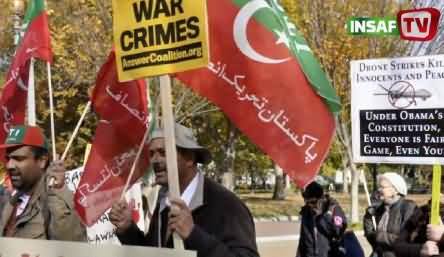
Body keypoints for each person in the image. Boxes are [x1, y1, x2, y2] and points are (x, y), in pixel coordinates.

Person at [109, 123, 259, 257]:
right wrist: (128, 229)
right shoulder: (164, 200)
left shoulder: (226, 205)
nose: (155, 160)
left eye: (163, 152)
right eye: (152, 153)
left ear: (189, 158)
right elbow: (154, 252)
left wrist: (193, 234)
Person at [0, 125, 86, 240]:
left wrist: (58, 192)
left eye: (19, 159)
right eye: (8, 158)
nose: (9, 165)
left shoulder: (56, 201)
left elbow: (71, 246)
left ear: (42, 161)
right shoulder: (9, 202)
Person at [363, 172, 416, 257]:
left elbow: (406, 239)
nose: (379, 190)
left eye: (382, 187)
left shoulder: (408, 208)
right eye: (379, 187)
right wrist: (368, 217)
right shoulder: (380, 208)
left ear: (395, 190)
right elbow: (371, 237)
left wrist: (380, 236)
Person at [393, 176, 444, 257]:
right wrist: (420, 249)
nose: (439, 193)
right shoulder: (421, 212)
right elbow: (398, 246)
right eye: (438, 186)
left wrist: (442, 236)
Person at [297, 181, 347, 257]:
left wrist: (326, 216)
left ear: (321, 199)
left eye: (313, 202)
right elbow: (303, 239)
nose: (310, 205)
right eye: (307, 202)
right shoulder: (307, 212)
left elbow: (338, 233)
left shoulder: (333, 209)